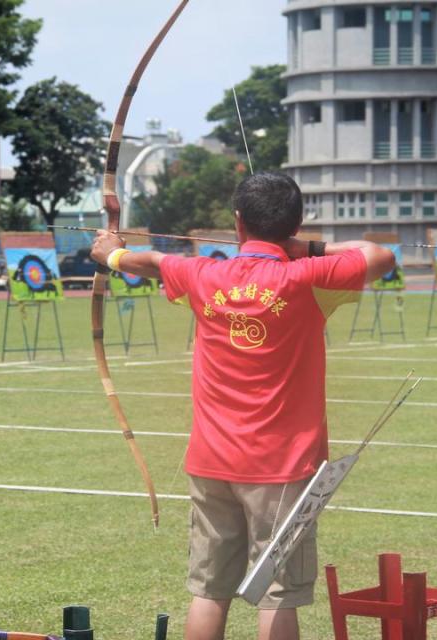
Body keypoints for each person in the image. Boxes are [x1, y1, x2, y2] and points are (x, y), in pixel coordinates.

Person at [90, 172, 396, 640]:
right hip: (283, 467)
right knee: (277, 594)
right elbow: (380, 255)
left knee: (209, 593)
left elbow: (151, 260)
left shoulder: (203, 273)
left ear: (238, 222)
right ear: (296, 224)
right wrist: (305, 248)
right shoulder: (305, 276)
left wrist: (110, 252)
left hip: (212, 462)